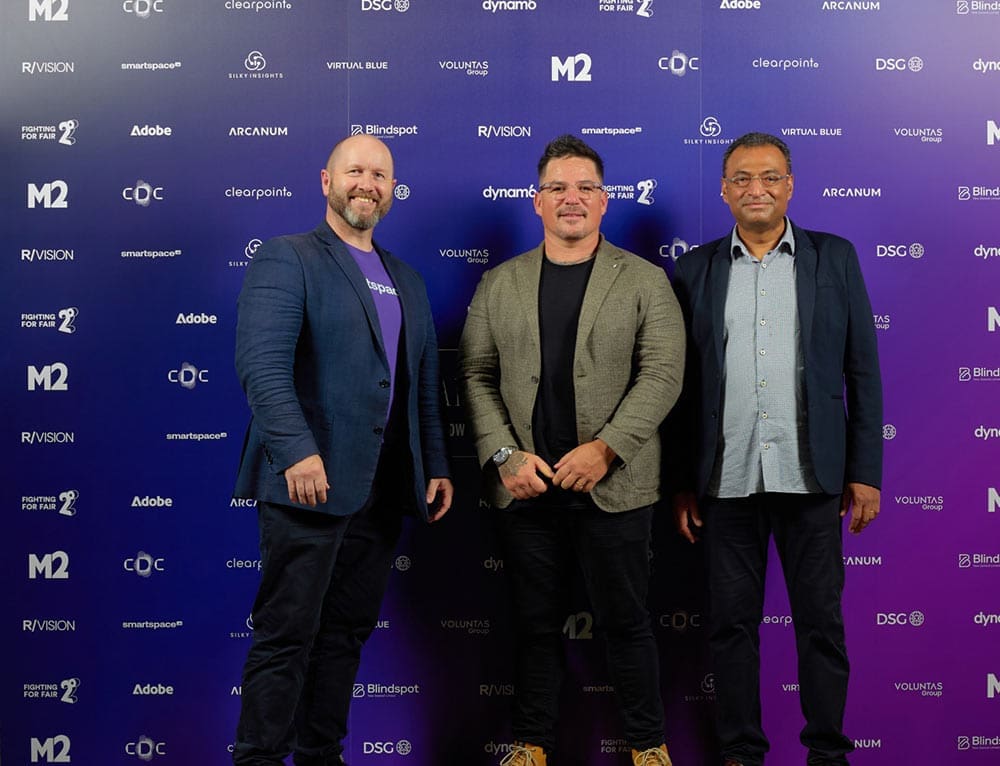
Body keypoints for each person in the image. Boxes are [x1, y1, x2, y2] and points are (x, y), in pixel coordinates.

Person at [459, 135, 685, 766]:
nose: (572, 198)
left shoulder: (645, 280)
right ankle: (531, 746)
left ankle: (648, 748)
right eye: (557, 187)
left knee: (628, 624)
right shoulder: (499, 283)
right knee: (534, 627)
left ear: (605, 200)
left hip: (615, 487)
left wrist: (606, 450)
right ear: (537, 202)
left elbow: (663, 374)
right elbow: (475, 374)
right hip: (527, 488)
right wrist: (505, 457)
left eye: (586, 187)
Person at [231, 135, 453, 766]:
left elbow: (421, 385)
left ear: (392, 190)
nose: (367, 183)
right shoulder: (288, 257)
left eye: (380, 175)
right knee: (286, 635)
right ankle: (258, 759)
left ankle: (321, 755)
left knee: (345, 636)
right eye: (355, 170)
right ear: (326, 180)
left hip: (380, 490)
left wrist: (435, 464)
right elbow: (262, 366)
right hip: (308, 483)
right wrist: (297, 452)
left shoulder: (407, 279)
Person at [669, 132, 883, 766]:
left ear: (790, 186)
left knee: (821, 625)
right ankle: (741, 752)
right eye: (741, 177)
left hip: (811, 476)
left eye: (768, 176)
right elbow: (681, 387)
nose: (755, 188)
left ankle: (827, 754)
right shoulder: (694, 269)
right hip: (726, 481)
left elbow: (862, 370)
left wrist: (865, 471)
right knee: (731, 628)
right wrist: (682, 481)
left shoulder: (833, 258)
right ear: (723, 190)